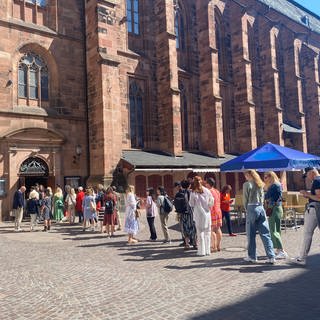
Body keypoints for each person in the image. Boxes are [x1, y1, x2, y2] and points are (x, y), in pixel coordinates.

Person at [243, 170, 275, 264]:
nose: (245, 177)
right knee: (265, 233)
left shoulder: (247, 184)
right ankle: (271, 256)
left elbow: (245, 198)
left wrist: (246, 209)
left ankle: (252, 257)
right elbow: (263, 198)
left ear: (249, 175)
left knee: (251, 234)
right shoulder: (260, 184)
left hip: (251, 207)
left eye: (245, 175)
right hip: (260, 208)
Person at [293, 167, 320, 265]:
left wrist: (307, 194)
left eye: (307, 175)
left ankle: (302, 258)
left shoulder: (317, 181)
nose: (307, 178)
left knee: (307, 234)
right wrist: (308, 194)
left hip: (314, 209)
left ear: (312, 172)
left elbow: (319, 197)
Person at [264, 171, 287, 259]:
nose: (265, 179)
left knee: (273, 230)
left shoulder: (274, 186)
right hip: (278, 208)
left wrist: (265, 189)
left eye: (266, 177)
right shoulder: (278, 184)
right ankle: (279, 249)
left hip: (274, 208)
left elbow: (266, 196)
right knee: (277, 230)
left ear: (270, 177)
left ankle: (281, 250)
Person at [189, 176, 214, 256]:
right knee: (208, 232)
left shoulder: (193, 192)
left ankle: (201, 251)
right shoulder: (207, 190)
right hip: (207, 213)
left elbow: (191, 204)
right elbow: (211, 201)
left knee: (200, 233)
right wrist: (207, 206)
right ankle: (207, 250)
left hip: (198, 213)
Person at [206, 178, 223, 252]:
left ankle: (214, 247)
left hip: (212, 212)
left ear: (208, 184)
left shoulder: (208, 191)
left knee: (212, 230)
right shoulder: (217, 191)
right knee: (218, 229)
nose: (205, 184)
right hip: (218, 211)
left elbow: (208, 203)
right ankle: (218, 246)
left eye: (206, 183)